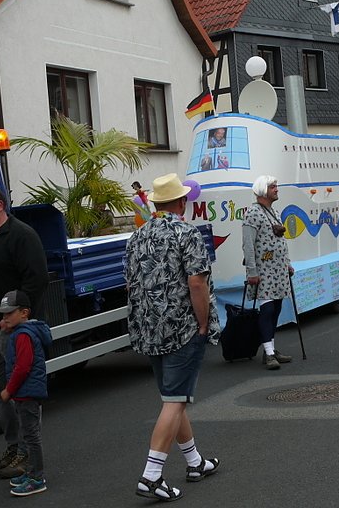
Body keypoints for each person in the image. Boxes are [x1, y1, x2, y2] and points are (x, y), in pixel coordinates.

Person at [124, 174, 221, 502]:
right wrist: (203, 323)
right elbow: (197, 282)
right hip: (181, 326)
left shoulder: (137, 237)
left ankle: (196, 463)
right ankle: (152, 475)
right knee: (176, 400)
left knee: (172, 398)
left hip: (149, 327)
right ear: (181, 202)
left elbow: (131, 284)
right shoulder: (186, 232)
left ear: (154, 202)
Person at [0, 187, 49, 479]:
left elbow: (36, 280)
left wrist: (15, 321)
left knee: (21, 395)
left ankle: (28, 454)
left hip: (13, 334)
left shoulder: (22, 236)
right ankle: (13, 447)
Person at [0, 290, 52, 497]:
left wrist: (9, 390)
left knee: (31, 437)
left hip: (27, 393)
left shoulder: (23, 335)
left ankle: (37, 478)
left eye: (9, 314)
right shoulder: (22, 332)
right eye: (2, 315)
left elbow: (23, 367)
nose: (5, 318)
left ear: (24, 313)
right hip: (25, 393)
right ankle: (31, 472)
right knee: (28, 435)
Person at [242, 175, 294, 370]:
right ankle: (269, 352)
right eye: (273, 187)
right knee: (267, 310)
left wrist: (287, 263)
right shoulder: (253, 213)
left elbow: (281, 242)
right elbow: (248, 244)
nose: (276, 189)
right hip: (264, 271)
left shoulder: (273, 211)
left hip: (277, 270)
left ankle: (270, 349)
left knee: (277, 309)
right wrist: (252, 271)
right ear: (264, 190)